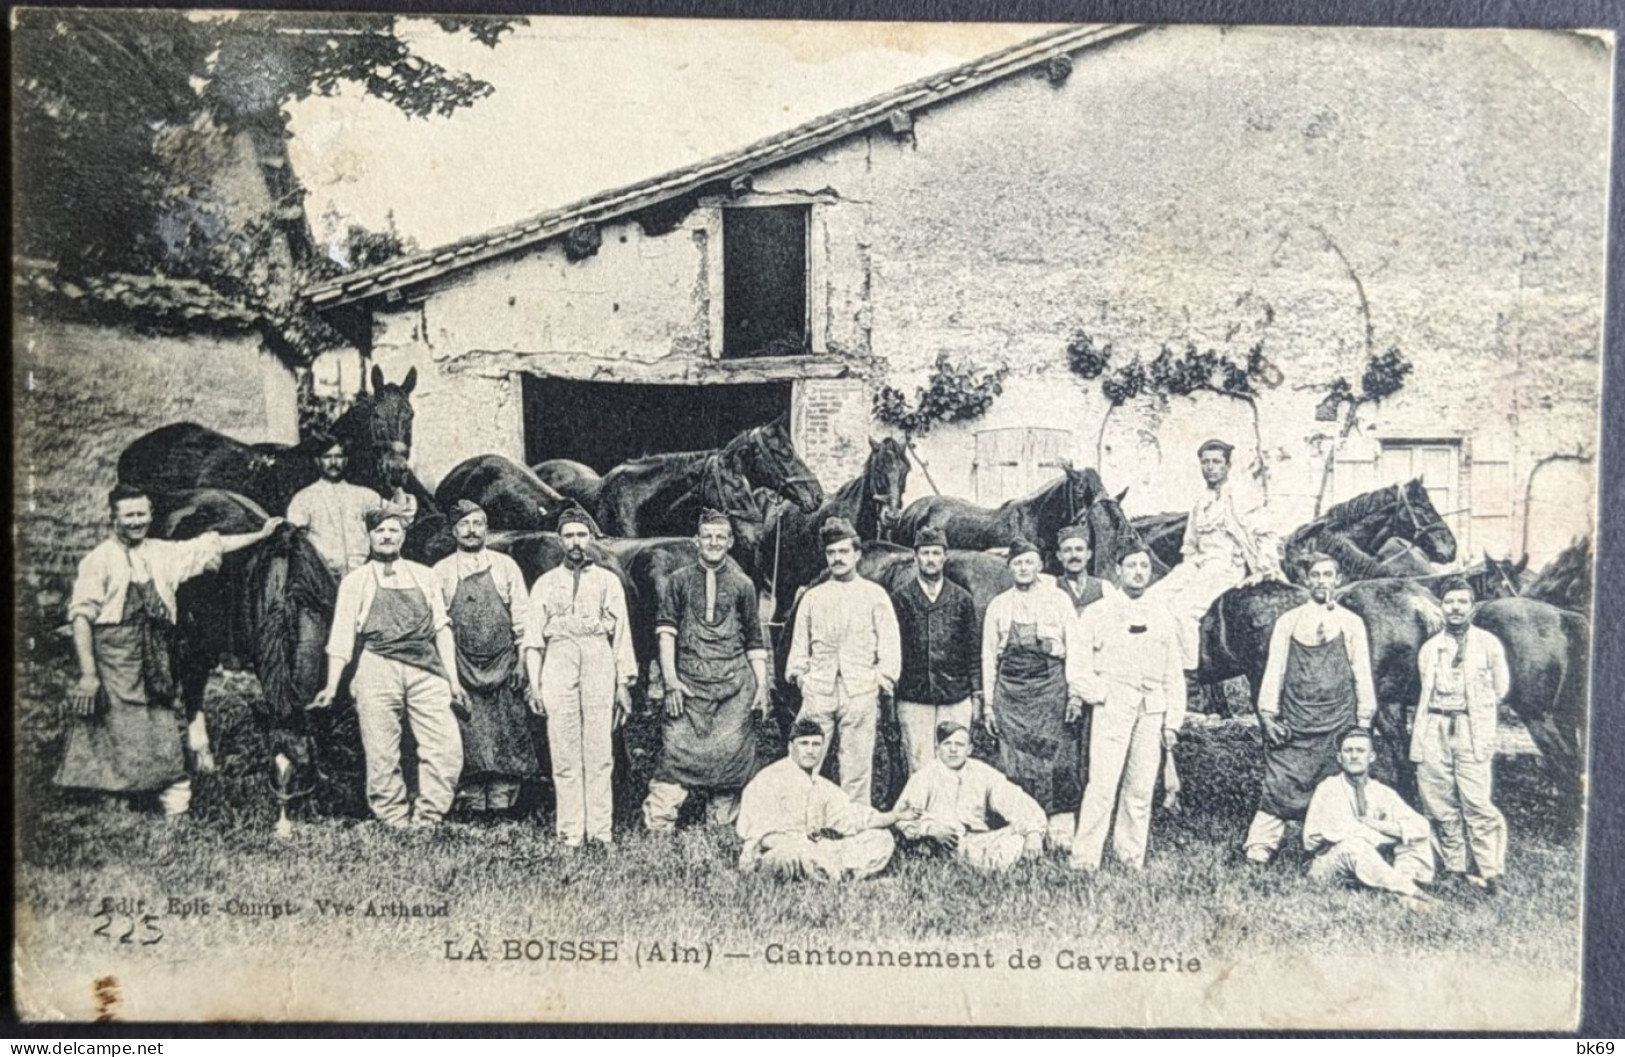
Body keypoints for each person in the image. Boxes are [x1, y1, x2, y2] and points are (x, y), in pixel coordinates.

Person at [58, 483, 284, 816]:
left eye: (142, 514)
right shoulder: (99, 561)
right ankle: (116, 798)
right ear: (112, 518)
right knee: (117, 724)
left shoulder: (161, 552)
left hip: (155, 652)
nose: (136, 521)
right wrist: (89, 675)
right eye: (129, 515)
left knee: (160, 718)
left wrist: (262, 534)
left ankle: (162, 797)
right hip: (115, 654)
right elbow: (81, 618)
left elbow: (213, 544)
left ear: (151, 515)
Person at [312, 508, 468, 827]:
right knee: (381, 751)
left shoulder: (425, 576)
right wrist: (331, 686)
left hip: (426, 668)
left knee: (446, 748)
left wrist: (453, 681)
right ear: (369, 537)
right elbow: (341, 637)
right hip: (377, 667)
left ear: (403, 536)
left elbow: (442, 629)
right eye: (380, 531)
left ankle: (429, 817)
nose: (386, 536)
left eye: (393, 531)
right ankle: (394, 819)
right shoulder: (355, 582)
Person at [1244, 552, 1378, 863]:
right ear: (1306, 581)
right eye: (1315, 575)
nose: (1321, 582)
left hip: (1339, 721)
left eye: (1327, 575)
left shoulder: (1351, 623)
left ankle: (1328, 845)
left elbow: (1362, 672)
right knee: (1281, 780)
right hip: (1295, 720)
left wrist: (1363, 722)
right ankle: (1260, 848)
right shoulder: (1289, 622)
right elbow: (1274, 670)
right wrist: (1267, 715)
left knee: (1335, 785)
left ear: (1338, 579)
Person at [642, 509, 770, 833]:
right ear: (696, 541)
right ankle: (661, 821)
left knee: (731, 754)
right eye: (707, 537)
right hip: (687, 688)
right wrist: (671, 682)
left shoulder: (743, 585)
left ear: (729, 542)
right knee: (676, 752)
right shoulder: (678, 582)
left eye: (720, 537)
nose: (713, 542)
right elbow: (666, 633)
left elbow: (755, 641)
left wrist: (762, 687)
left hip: (733, 688)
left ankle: (721, 820)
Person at [1070, 543, 1186, 872]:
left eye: (1144, 567)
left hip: (1151, 710)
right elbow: (1077, 668)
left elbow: (1172, 674)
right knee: (1103, 784)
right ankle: (1084, 859)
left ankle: (1130, 856)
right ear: (1117, 571)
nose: (1138, 572)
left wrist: (1171, 722)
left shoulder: (1162, 617)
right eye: (1131, 566)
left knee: (1140, 787)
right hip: (1112, 705)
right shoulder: (1098, 613)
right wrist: (1100, 694)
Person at [524, 504, 635, 848]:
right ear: (559, 540)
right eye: (569, 535)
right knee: (564, 747)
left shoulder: (608, 582)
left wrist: (623, 685)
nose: (575, 542)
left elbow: (622, 637)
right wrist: (535, 683)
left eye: (581, 535)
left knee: (600, 750)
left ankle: (600, 832)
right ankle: (570, 832)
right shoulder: (544, 584)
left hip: (598, 656)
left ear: (591, 539)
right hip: (558, 658)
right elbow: (532, 639)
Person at [432, 499, 539, 819]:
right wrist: (451, 675)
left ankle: (503, 806)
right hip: (463, 668)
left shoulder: (506, 566)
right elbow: (440, 625)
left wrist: (522, 662)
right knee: (470, 735)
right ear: (453, 531)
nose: (471, 530)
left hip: (505, 667)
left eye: (477, 523)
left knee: (508, 732)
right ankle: (474, 805)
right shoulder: (441, 571)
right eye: (464, 524)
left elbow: (524, 619)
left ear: (487, 528)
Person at [785, 516, 901, 806]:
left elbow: (890, 645)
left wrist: (880, 679)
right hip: (818, 691)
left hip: (859, 691)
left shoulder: (875, 596)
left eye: (843, 552)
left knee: (857, 767)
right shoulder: (813, 597)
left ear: (857, 554)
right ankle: (800, 822)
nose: (837, 559)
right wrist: (801, 678)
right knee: (803, 761)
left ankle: (852, 827)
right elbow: (798, 645)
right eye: (831, 553)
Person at [981, 536, 1088, 852]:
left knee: (1058, 761)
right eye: (1017, 563)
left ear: (1040, 564)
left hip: (1051, 693)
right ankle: (1026, 828)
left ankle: (1061, 831)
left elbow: (1078, 649)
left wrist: (1075, 696)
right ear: (1010, 568)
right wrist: (988, 705)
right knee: (1017, 764)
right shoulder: (999, 605)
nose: (1024, 568)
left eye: (1029, 561)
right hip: (1011, 697)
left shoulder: (1058, 600)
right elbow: (988, 656)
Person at [1411, 577, 1511, 894]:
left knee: (1477, 801)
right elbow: (1424, 690)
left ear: (1472, 606)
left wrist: (1475, 710)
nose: (1455, 608)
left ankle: (1491, 871)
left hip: (1471, 728)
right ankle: (1454, 867)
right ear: (1441, 607)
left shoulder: (1488, 644)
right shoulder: (1430, 649)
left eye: (1462, 602)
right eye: (1449, 602)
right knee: (1438, 802)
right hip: (1434, 728)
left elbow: (1501, 688)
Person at [1149, 438, 1283, 669]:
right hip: (1198, 563)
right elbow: (1190, 543)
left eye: (1216, 462)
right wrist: (1186, 569)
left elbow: (1266, 534)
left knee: (1182, 610)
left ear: (1227, 466)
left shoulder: (1241, 497)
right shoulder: (1201, 502)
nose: (1210, 467)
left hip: (1225, 565)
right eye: (1205, 462)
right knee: (1150, 601)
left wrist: (1262, 570)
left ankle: (1187, 677)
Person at [735, 718, 916, 881]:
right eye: (804, 744)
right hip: (778, 853)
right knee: (793, 855)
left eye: (816, 744)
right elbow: (760, 838)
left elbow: (853, 817)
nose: (810, 750)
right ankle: (838, 875)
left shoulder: (821, 786)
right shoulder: (768, 779)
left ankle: (833, 874)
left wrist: (894, 815)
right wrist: (804, 845)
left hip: (814, 849)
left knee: (881, 838)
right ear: (790, 747)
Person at [888, 526, 982, 775]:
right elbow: (892, 650)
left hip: (955, 695)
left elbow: (973, 650)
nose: (930, 559)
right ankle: (923, 814)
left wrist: (976, 693)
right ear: (916, 557)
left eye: (936, 553)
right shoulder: (901, 599)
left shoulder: (962, 599)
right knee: (919, 764)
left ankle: (953, 814)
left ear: (945, 557)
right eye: (925, 553)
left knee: (954, 760)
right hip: (914, 696)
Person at [1304, 729, 1437, 901]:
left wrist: (1376, 824)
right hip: (1329, 865)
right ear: (1339, 757)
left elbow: (1421, 826)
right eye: (1348, 751)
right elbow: (1340, 833)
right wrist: (1391, 835)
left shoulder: (1381, 791)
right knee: (1357, 845)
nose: (1353, 756)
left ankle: (1403, 889)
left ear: (1371, 757)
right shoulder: (1328, 788)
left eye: (1360, 751)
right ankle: (1412, 892)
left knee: (1414, 837)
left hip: (1368, 864)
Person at [893, 721, 1046, 871]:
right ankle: (989, 865)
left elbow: (1013, 798)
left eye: (959, 745)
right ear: (937, 748)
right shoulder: (924, 776)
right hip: (943, 842)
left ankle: (994, 863)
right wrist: (930, 828)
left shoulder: (981, 772)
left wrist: (1032, 831)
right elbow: (901, 815)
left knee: (1017, 839)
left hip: (980, 839)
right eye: (947, 744)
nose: (953, 750)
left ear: (969, 749)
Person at [286, 434, 383, 577]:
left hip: (363, 575)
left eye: (338, 456)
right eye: (327, 457)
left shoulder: (366, 496)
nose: (333, 462)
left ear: (346, 460)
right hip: (323, 579)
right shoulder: (303, 498)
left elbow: (397, 518)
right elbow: (295, 541)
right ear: (317, 461)